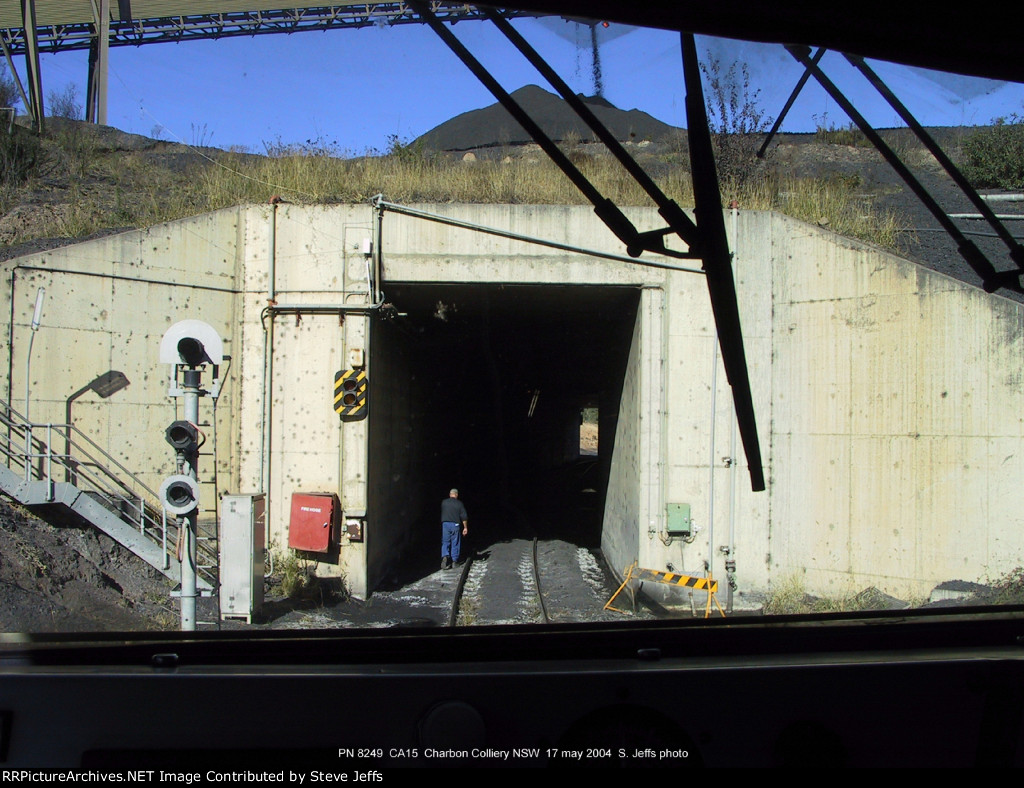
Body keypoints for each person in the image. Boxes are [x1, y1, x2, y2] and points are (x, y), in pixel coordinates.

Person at [440, 488, 468, 570]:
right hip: (455, 524)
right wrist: (465, 527)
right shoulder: (459, 503)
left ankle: (445, 556)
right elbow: (464, 516)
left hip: (445, 524)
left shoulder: (444, 502)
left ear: (450, 494)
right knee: (455, 542)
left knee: (445, 541)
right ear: (456, 495)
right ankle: (454, 561)